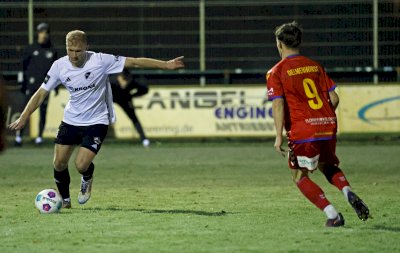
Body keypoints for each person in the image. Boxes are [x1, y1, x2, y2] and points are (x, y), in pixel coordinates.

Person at [9, 30, 184, 208]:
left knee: (81, 165)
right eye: (70, 50)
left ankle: (87, 177)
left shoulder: (101, 60)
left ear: (87, 47)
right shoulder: (59, 66)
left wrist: (166, 65)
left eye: (78, 50)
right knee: (59, 163)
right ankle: (65, 200)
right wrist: (24, 117)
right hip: (71, 120)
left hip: (97, 121)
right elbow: (40, 94)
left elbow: (135, 61)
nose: (74, 55)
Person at [267, 21, 370, 227]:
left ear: (279, 44)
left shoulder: (276, 72)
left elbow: (278, 104)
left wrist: (278, 136)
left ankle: (333, 215)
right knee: (327, 165)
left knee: (299, 175)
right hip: (328, 124)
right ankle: (347, 190)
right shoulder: (315, 66)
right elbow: (334, 98)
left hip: (303, 129)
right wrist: (322, 117)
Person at [16, 22, 58, 146]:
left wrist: (56, 86)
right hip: (31, 85)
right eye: (41, 32)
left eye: (46, 32)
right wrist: (23, 84)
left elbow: (56, 70)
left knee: (43, 111)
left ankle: (39, 137)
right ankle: (19, 137)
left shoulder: (52, 50)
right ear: (38, 33)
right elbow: (23, 67)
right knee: (26, 110)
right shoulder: (30, 48)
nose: (44, 35)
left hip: (45, 86)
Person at [110, 69, 150, 147]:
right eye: (123, 80)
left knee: (134, 118)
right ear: (119, 77)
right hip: (109, 98)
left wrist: (132, 95)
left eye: (127, 80)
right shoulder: (111, 81)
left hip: (124, 99)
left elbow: (145, 89)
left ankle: (144, 139)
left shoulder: (131, 82)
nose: (125, 83)